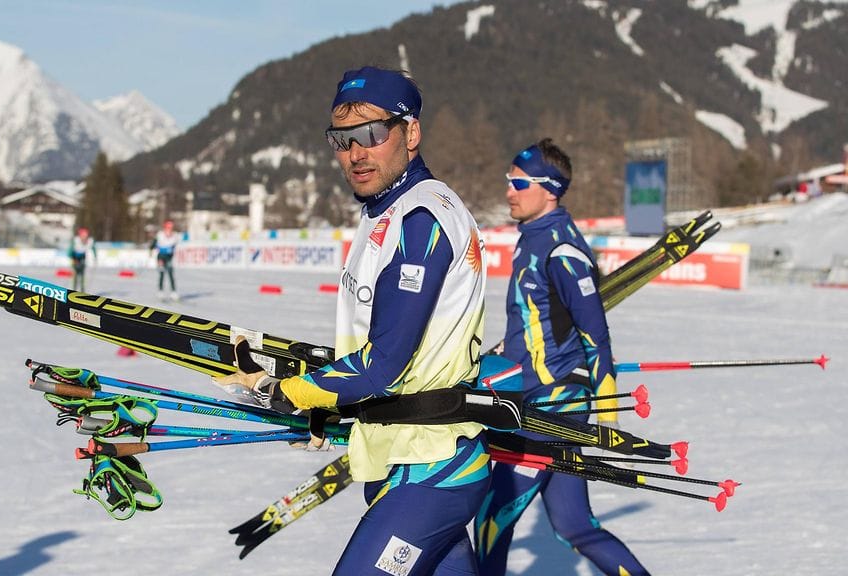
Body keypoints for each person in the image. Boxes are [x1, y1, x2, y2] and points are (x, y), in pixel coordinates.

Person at [217, 66, 490, 575]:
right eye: (342, 140)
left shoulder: (421, 219)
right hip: (400, 459)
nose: (356, 153)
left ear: (411, 132)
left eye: (372, 134)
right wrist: (331, 403)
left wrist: (289, 392)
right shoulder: (385, 211)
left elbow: (383, 363)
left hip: (430, 467)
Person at [472, 139, 649, 576]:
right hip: (533, 395)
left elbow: (596, 334)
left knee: (493, 518)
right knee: (575, 527)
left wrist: (607, 409)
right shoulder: (532, 239)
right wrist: (505, 353)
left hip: (555, 404)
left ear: (548, 189)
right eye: (508, 181)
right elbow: (539, 323)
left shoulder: (562, 251)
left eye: (518, 183)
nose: (508, 191)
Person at [149, 220, 180, 301]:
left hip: (169, 257)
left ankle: (173, 292)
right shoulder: (160, 234)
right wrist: (152, 248)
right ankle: (160, 291)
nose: (170, 229)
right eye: (168, 227)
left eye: (171, 227)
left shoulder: (175, 235)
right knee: (162, 273)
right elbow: (154, 243)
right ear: (165, 227)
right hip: (161, 257)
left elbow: (175, 246)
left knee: (170, 274)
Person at [69, 227, 96, 291]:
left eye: (85, 236)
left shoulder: (90, 241)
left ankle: (82, 289)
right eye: (83, 236)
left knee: (82, 274)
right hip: (75, 257)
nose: (84, 238)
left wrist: (95, 256)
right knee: (75, 274)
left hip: (83, 257)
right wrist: (71, 257)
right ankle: (74, 289)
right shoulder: (76, 240)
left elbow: (93, 248)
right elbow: (70, 250)